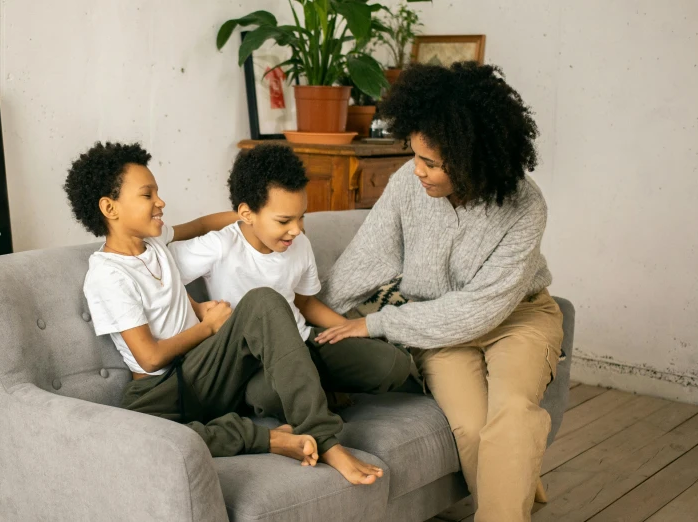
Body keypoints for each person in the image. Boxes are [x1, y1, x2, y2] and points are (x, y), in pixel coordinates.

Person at [316, 62, 564, 520]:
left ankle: (507, 491)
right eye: (413, 154)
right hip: (436, 326)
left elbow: (480, 310)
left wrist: (377, 323)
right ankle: (514, 481)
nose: (417, 171)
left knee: (511, 416)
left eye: (430, 162)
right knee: (470, 428)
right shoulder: (406, 187)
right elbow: (365, 259)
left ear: (472, 160)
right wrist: (306, 315)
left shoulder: (526, 205)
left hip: (518, 317)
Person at [63, 141, 383, 485]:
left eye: (157, 192)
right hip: (160, 391)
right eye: (147, 195)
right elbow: (149, 357)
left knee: (263, 301)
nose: (161, 201)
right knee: (150, 439)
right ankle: (272, 440)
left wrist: (254, 217)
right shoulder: (107, 274)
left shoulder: (154, 243)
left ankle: (322, 436)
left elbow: (201, 227)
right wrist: (208, 325)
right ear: (110, 208)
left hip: (204, 371)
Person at [167, 144, 411, 419]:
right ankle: (314, 391)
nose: (297, 229)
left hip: (303, 340)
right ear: (247, 214)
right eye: (284, 220)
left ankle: (313, 387)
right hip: (260, 363)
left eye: (301, 217)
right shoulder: (221, 246)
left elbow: (304, 301)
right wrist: (198, 308)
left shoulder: (299, 243)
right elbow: (159, 269)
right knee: (268, 395)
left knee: (392, 364)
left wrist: (349, 328)